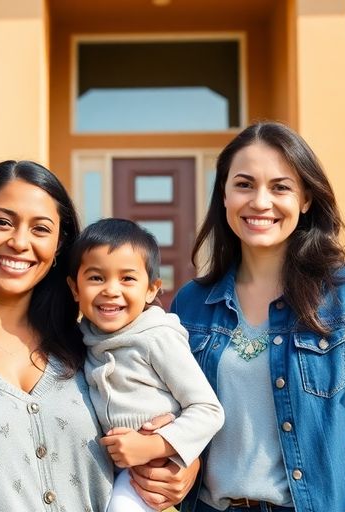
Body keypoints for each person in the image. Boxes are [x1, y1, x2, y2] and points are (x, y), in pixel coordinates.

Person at [0, 161, 198, 512]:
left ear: (58, 245)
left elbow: (162, 425)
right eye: (2, 222)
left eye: (41, 229)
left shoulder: (92, 348)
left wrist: (182, 463)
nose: (20, 242)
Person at [170, 122, 345, 512]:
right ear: (224, 194)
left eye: (280, 187)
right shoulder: (190, 304)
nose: (260, 202)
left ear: (305, 200)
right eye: (244, 185)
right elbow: (173, 419)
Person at [66, 218, 224, 512]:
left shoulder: (158, 337)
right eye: (96, 278)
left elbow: (209, 410)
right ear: (75, 288)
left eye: (127, 278)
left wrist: (153, 446)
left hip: (152, 471)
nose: (111, 290)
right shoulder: (82, 339)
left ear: (152, 290)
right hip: (108, 471)